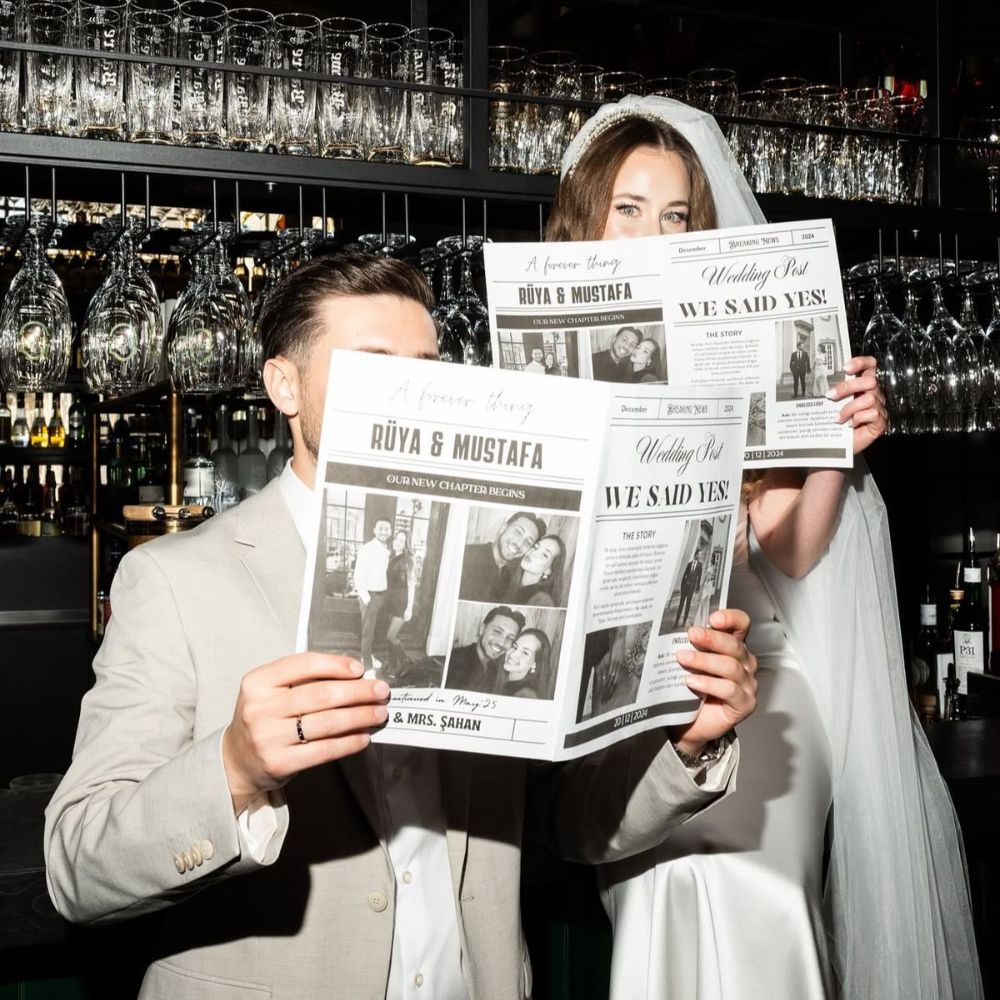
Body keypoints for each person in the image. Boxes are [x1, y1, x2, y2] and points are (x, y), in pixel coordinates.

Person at [44, 250, 760, 1000]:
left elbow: (571, 822)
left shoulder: (498, 586)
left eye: (426, 366)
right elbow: (76, 869)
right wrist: (233, 769)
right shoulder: (175, 579)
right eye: (373, 366)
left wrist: (686, 740)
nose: (410, 390)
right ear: (284, 384)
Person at [550, 94, 982, 1000]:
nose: (650, 231)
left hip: (759, 673)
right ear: (585, 215)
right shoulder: (541, 352)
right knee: (654, 885)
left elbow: (787, 550)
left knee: (751, 887)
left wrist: (838, 446)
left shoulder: (734, 339)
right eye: (627, 208)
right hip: (615, 687)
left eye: (674, 214)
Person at [459, 509, 545, 602]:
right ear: (503, 528)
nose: (520, 544)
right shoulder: (465, 556)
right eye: (518, 532)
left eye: (528, 542)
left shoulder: (506, 577)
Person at [444, 604, 524, 694]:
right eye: (497, 632)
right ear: (482, 629)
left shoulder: (501, 671)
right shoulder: (453, 661)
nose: (501, 643)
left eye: (510, 638)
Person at [353, 517, 391, 674]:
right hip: (369, 596)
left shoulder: (386, 550)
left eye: (387, 528)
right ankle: (367, 667)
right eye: (380, 528)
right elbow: (357, 575)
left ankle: (368, 656)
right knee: (367, 632)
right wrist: (366, 598)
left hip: (380, 596)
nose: (384, 531)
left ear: (390, 532)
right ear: (374, 530)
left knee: (373, 630)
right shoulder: (367, 549)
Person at [382, 528, 415, 679]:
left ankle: (406, 662)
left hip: (401, 602)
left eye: (402, 540)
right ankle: (392, 664)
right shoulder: (390, 556)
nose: (398, 542)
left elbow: (411, 585)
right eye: (396, 539)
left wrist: (409, 608)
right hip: (390, 601)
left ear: (406, 544)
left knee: (391, 636)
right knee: (391, 635)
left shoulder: (407, 560)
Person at [500, 533, 566, 607]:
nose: (533, 553)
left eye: (545, 555)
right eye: (535, 547)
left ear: (549, 570)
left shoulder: (542, 600)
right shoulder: (506, 577)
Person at [499, 627, 551, 699]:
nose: (512, 654)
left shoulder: (525, 695)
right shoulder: (503, 681)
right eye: (514, 646)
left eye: (525, 653)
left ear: (534, 664)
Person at [672, 546, 703, 628]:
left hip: (691, 588)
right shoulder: (689, 564)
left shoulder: (700, 566)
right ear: (695, 554)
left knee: (688, 605)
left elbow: (699, 577)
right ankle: (676, 622)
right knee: (681, 604)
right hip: (685, 587)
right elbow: (684, 575)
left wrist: (697, 588)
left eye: (701, 555)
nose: (700, 556)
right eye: (699, 554)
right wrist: (682, 586)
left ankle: (684, 622)